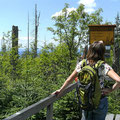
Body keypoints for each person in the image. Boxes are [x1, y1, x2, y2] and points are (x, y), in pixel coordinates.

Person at [52, 41, 120, 120]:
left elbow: (70, 79)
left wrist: (61, 90)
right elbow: (119, 80)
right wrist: (111, 89)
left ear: (90, 51)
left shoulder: (82, 64)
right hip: (99, 100)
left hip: (86, 100)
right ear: (102, 52)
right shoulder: (103, 66)